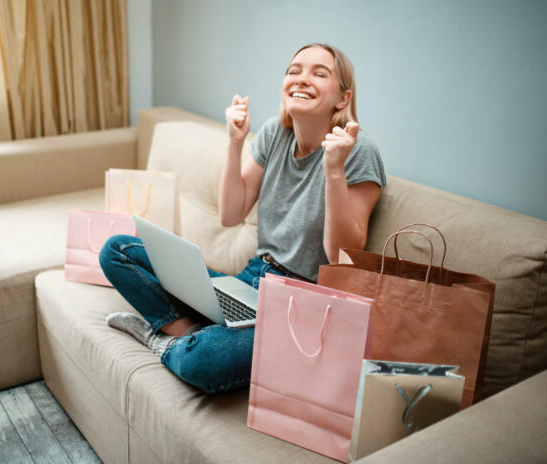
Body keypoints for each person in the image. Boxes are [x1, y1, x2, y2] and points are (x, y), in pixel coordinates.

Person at [99, 43, 386, 393]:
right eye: (294, 70)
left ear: (343, 99)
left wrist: (334, 171)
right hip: (252, 279)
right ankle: (188, 333)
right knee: (117, 251)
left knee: (203, 362)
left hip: (303, 305)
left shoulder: (359, 152)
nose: (302, 79)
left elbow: (342, 257)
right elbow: (231, 215)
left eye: (319, 73)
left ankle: (165, 339)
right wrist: (235, 143)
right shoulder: (273, 134)